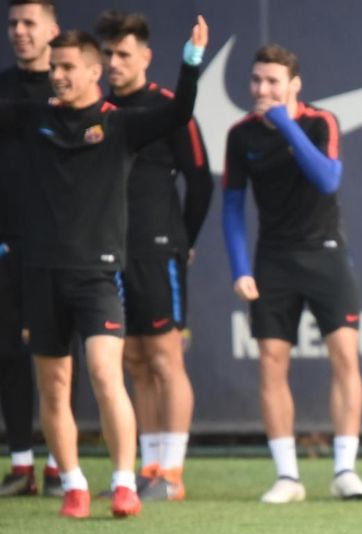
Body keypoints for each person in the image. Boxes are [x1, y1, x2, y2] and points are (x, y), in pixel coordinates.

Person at [0, 18, 208, 519]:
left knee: (105, 373)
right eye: (54, 68)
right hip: (42, 271)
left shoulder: (121, 125)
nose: (57, 76)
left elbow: (179, 111)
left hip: (98, 273)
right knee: (54, 385)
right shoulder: (33, 119)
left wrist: (192, 61)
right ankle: (71, 482)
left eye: (68, 67)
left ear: (94, 72)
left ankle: (123, 481)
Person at [223, 43, 362, 504]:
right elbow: (231, 207)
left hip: (326, 254)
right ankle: (287, 476)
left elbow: (327, 179)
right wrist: (240, 267)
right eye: (256, 80)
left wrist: (285, 123)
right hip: (273, 260)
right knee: (271, 362)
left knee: (345, 356)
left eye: (272, 81)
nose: (262, 89)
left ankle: (344, 470)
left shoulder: (318, 121)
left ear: (294, 85)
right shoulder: (240, 134)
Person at [96, 10, 213, 502]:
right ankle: (148, 466)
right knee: (135, 361)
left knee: (165, 359)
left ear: (145, 56)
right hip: (111, 250)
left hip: (159, 249)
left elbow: (201, 179)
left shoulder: (168, 108)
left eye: (124, 54)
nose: (114, 63)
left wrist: (181, 241)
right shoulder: (97, 110)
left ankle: (174, 471)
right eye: (108, 54)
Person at [0, 0, 59, 498]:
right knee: (8, 352)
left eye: (29, 23)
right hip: (6, 245)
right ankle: (21, 465)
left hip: (59, 245)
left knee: (59, 352)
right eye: (13, 24)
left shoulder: (70, 90)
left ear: (53, 30)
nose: (20, 32)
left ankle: (63, 463)